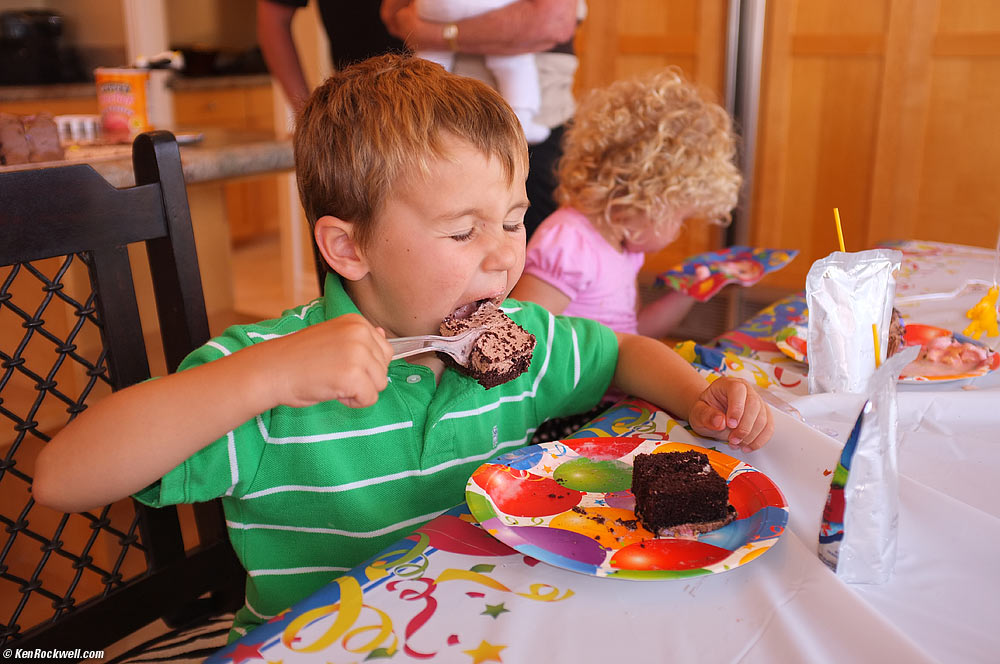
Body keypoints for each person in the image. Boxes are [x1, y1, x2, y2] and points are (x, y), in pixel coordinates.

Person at [33, 55, 772, 641]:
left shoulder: (514, 338)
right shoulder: (273, 380)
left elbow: (617, 356)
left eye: (514, 220)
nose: (501, 258)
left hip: (479, 622)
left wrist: (694, 393)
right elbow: (63, 478)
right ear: (348, 248)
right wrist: (261, 379)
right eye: (462, 231)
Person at [511, 66, 742, 340]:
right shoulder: (570, 243)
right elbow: (520, 338)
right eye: (681, 219)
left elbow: (635, 337)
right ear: (647, 201)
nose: (679, 230)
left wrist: (686, 294)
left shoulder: (625, 250)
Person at [380, 0, 580, 237]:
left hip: (526, 129)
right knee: (448, 229)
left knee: (522, 232)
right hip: (435, 120)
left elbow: (551, 21)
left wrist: (438, 33)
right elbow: (395, 15)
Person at [414, 0, 550, 143]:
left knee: (430, 56)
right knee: (514, 60)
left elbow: (393, 13)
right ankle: (521, 122)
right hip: (486, 7)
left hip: (432, 6)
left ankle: (416, 117)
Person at [257, 0, 408, 110]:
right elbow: (273, 19)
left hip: (420, 95)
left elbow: (393, 16)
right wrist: (305, 115)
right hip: (357, 106)